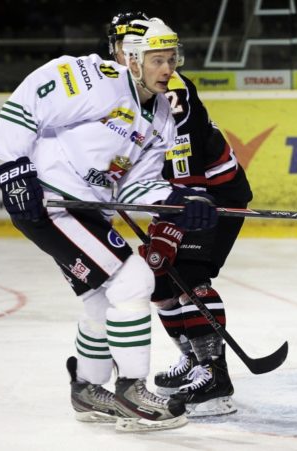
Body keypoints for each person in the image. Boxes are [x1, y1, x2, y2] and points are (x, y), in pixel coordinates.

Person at [0, 17, 219, 432]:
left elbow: (136, 183)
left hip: (88, 210)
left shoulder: (162, 114)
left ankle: (88, 388)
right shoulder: (98, 79)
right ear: (133, 60)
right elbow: (24, 106)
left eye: (172, 59)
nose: (167, 69)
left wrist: (175, 200)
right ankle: (133, 390)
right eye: (157, 60)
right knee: (134, 282)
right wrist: (13, 168)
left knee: (100, 299)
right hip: (50, 202)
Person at [107, 12, 253, 417]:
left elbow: (183, 163)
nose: (121, 54)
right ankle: (192, 359)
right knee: (159, 279)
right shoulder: (119, 88)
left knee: (188, 274)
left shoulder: (171, 90)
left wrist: (176, 215)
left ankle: (215, 378)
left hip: (211, 195)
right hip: (177, 195)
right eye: (119, 46)